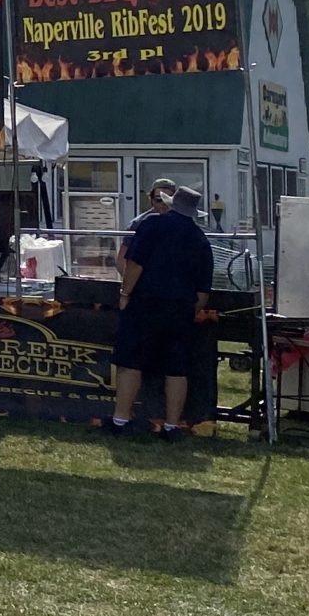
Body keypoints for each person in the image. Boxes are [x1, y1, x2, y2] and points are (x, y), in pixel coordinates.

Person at [111, 185, 213, 441]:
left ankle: (120, 421)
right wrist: (188, 308)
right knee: (176, 370)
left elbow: (134, 265)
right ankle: (171, 427)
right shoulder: (200, 240)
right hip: (180, 308)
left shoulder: (151, 226)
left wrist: (125, 294)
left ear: (171, 204)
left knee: (130, 363)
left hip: (144, 303)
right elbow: (203, 294)